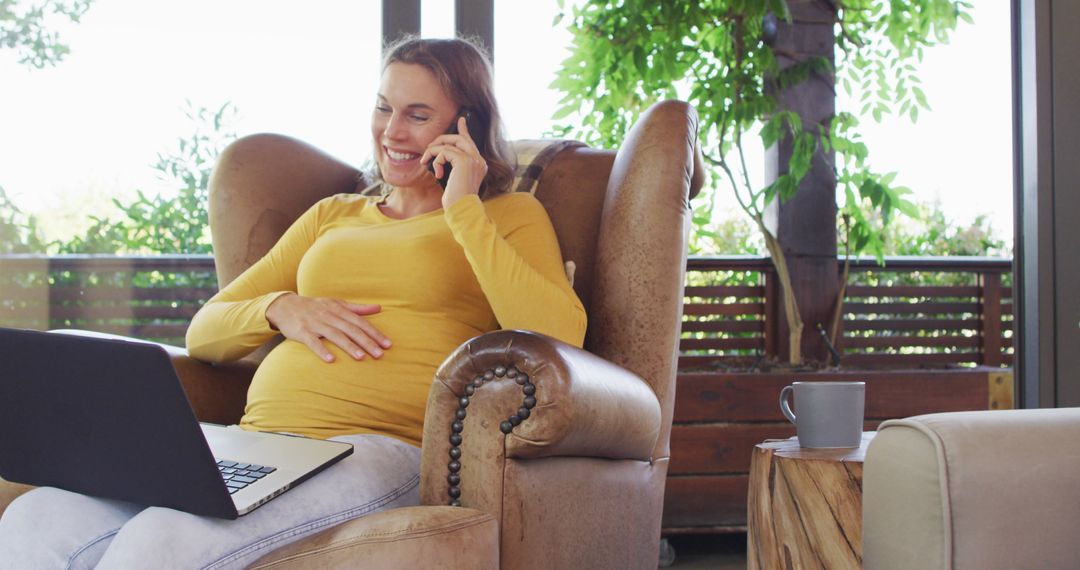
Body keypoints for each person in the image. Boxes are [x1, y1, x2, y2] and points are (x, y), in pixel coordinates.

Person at [0, 36, 586, 569]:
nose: (392, 132)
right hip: (258, 442)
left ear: (464, 125)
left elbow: (559, 335)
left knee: (162, 543)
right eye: (384, 107)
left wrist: (463, 210)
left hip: (381, 447)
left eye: (417, 115)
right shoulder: (333, 215)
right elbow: (206, 331)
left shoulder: (506, 217)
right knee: (38, 518)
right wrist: (279, 306)